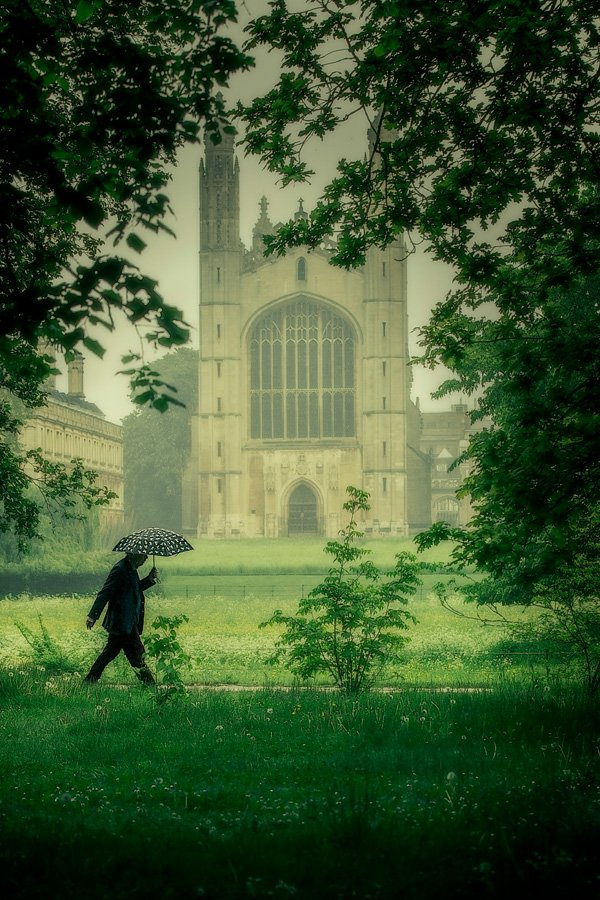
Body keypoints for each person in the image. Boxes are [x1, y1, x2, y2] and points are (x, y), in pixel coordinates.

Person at [84, 552, 159, 684]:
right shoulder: (120, 569)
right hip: (123, 621)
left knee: (111, 652)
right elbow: (105, 592)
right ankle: (151, 687)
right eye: (144, 555)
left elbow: (135, 589)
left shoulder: (131, 569)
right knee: (136, 655)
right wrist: (92, 615)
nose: (146, 557)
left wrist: (149, 579)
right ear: (134, 555)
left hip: (127, 621)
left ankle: (89, 681)